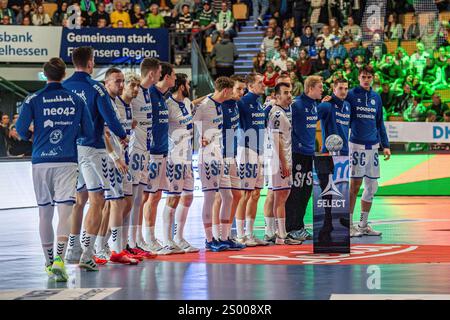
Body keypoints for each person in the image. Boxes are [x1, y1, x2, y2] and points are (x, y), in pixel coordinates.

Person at [16, 57, 93, 281]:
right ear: (63, 74)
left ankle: (49, 263)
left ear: (45, 73)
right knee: (65, 211)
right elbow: (87, 131)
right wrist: (70, 136)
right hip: (67, 160)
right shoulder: (76, 99)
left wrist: (34, 137)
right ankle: (60, 259)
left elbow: (20, 130)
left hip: (41, 160)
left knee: (44, 212)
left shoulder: (33, 99)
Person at [63, 46, 128, 271]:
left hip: (70, 151)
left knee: (78, 201)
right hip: (91, 149)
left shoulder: (64, 86)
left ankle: (73, 249)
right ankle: (88, 252)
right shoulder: (96, 88)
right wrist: (122, 135)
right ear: (90, 63)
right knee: (98, 199)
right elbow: (109, 116)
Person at [99, 68, 141, 265]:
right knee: (112, 204)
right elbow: (105, 133)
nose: (123, 85)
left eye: (125, 82)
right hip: (111, 160)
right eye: (119, 81)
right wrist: (115, 156)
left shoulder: (125, 104)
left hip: (125, 159)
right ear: (107, 82)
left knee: (126, 203)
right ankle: (103, 247)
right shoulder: (107, 101)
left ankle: (112, 245)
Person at [346, 65, 391, 237]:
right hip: (356, 145)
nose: (366, 79)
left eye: (369, 77)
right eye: (363, 76)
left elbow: (380, 122)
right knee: (355, 185)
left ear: (373, 78)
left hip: (373, 147)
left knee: (372, 186)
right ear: (359, 78)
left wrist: (385, 145)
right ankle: (349, 224)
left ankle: (363, 224)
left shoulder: (376, 97)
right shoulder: (350, 95)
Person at [193, 76, 234, 252]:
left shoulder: (218, 104)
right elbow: (189, 121)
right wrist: (198, 138)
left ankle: (224, 237)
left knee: (228, 197)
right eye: (231, 91)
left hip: (220, 154)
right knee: (210, 198)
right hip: (208, 157)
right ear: (225, 91)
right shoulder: (204, 106)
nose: (232, 94)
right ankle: (209, 240)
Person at [143, 62, 177, 255]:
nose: (174, 78)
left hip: (163, 152)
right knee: (148, 197)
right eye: (173, 75)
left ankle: (148, 237)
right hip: (152, 152)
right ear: (165, 76)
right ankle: (146, 238)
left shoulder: (164, 98)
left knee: (154, 196)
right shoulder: (150, 94)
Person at [127, 58, 161, 253]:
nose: (159, 75)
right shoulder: (135, 91)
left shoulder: (148, 92)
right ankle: (129, 241)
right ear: (151, 74)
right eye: (158, 72)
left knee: (139, 198)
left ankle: (137, 239)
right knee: (130, 199)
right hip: (134, 151)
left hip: (145, 150)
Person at [163, 73, 199, 253]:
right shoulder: (168, 105)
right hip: (174, 158)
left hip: (187, 158)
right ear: (181, 86)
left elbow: (194, 106)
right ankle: (167, 239)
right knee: (173, 197)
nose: (190, 87)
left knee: (188, 196)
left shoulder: (186, 103)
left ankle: (179, 237)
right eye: (188, 84)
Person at [285, 75, 323, 242]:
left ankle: (299, 226)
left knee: (306, 192)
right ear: (310, 89)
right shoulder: (296, 105)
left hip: (309, 154)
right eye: (320, 87)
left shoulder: (314, 105)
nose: (322, 89)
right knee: (295, 192)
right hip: (297, 154)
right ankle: (290, 227)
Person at [211, 74, 246, 250]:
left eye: (243, 90)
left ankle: (226, 234)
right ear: (229, 89)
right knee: (219, 196)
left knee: (237, 195)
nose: (241, 92)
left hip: (231, 155)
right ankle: (216, 236)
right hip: (220, 154)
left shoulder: (236, 104)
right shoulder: (218, 105)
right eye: (238, 89)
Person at [235, 73, 268, 246]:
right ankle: (240, 235)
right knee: (245, 194)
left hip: (260, 151)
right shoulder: (242, 102)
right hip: (246, 150)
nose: (263, 85)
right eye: (260, 83)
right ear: (250, 86)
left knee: (255, 193)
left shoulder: (258, 102)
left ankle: (250, 233)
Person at [266, 82, 301, 245]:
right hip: (278, 160)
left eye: (290, 92)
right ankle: (281, 235)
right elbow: (277, 139)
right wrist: (284, 162)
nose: (289, 95)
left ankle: (277, 233)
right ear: (277, 96)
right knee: (281, 196)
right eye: (285, 93)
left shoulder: (285, 110)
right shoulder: (277, 114)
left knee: (280, 195)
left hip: (282, 158)